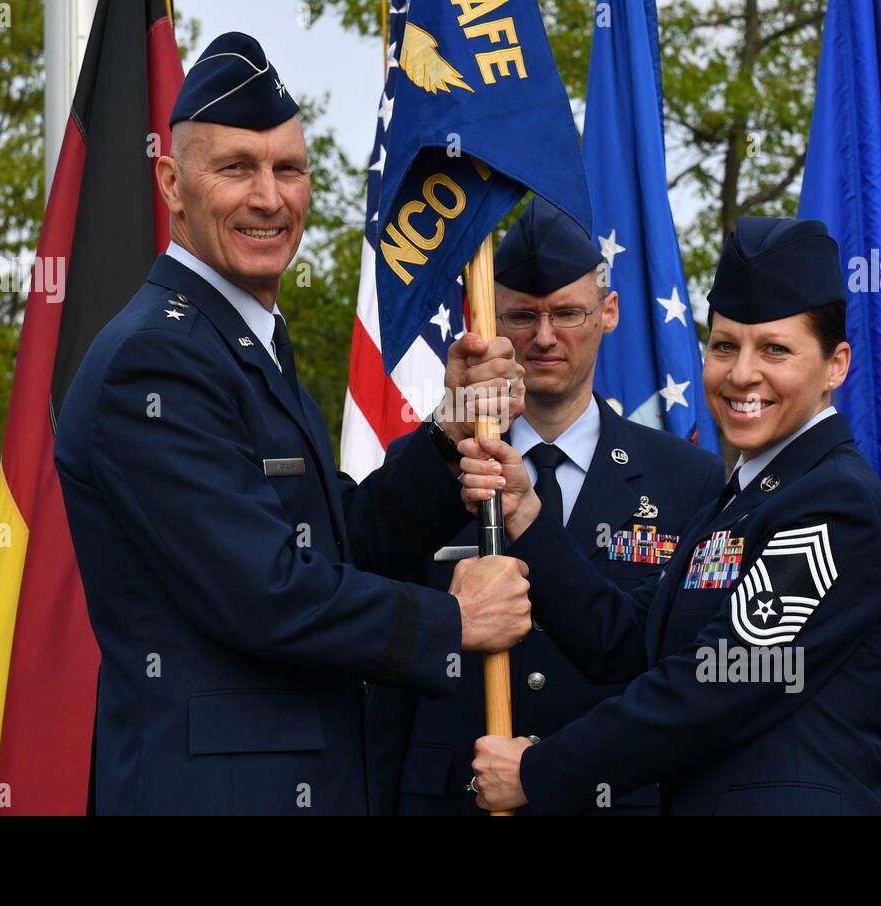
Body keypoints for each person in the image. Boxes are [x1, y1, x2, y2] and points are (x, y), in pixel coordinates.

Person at [53, 33, 533, 816]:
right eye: (236, 168)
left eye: (289, 169)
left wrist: (447, 438)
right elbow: (264, 591)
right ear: (171, 183)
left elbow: (336, 540)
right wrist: (453, 620)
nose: (269, 198)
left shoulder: (239, 341)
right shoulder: (157, 360)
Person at [462, 217, 881, 815]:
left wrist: (539, 771)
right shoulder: (744, 499)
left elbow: (718, 681)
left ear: (836, 365)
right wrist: (523, 512)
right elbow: (623, 640)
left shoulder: (833, 502)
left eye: (775, 349)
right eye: (724, 346)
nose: (742, 374)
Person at [368, 197, 724, 815]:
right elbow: (381, 637)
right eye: (522, 316)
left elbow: (685, 676)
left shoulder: (689, 479)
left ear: (608, 312)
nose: (544, 336)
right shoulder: (435, 464)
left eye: (567, 313)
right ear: (488, 318)